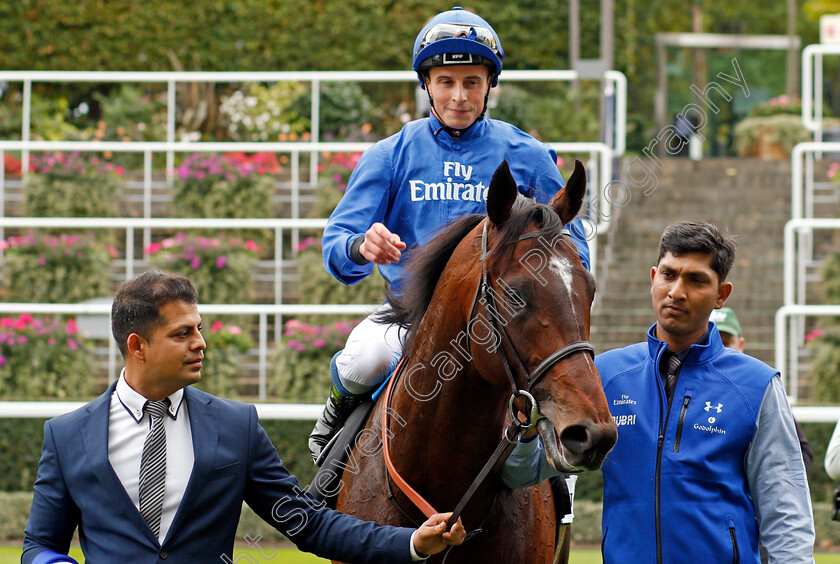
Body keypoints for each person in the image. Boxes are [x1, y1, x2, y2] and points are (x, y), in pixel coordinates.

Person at [22, 271, 465, 564]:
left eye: (199, 328)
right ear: (137, 346)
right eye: (183, 333)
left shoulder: (236, 426)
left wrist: (409, 542)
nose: (201, 343)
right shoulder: (66, 436)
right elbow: (39, 545)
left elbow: (306, 521)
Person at [309, 6, 591, 462]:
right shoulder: (389, 155)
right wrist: (362, 245)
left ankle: (560, 494)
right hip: (409, 319)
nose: (459, 96)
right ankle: (330, 445)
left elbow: (572, 246)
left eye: (472, 82)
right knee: (363, 357)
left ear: (490, 85)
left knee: (555, 382)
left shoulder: (530, 155)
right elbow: (336, 240)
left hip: (501, 326)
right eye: (446, 82)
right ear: (427, 85)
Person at [501, 221, 815, 563]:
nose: (677, 291)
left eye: (696, 280)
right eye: (669, 274)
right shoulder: (603, 376)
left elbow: (787, 517)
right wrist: (527, 429)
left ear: (721, 295)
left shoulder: (757, 385)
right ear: (653, 278)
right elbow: (523, 473)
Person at [711, 306, 813, 472]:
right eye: (712, 342)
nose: (720, 350)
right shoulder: (681, 388)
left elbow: (801, 453)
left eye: (726, 343)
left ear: (741, 345)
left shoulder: (760, 388)